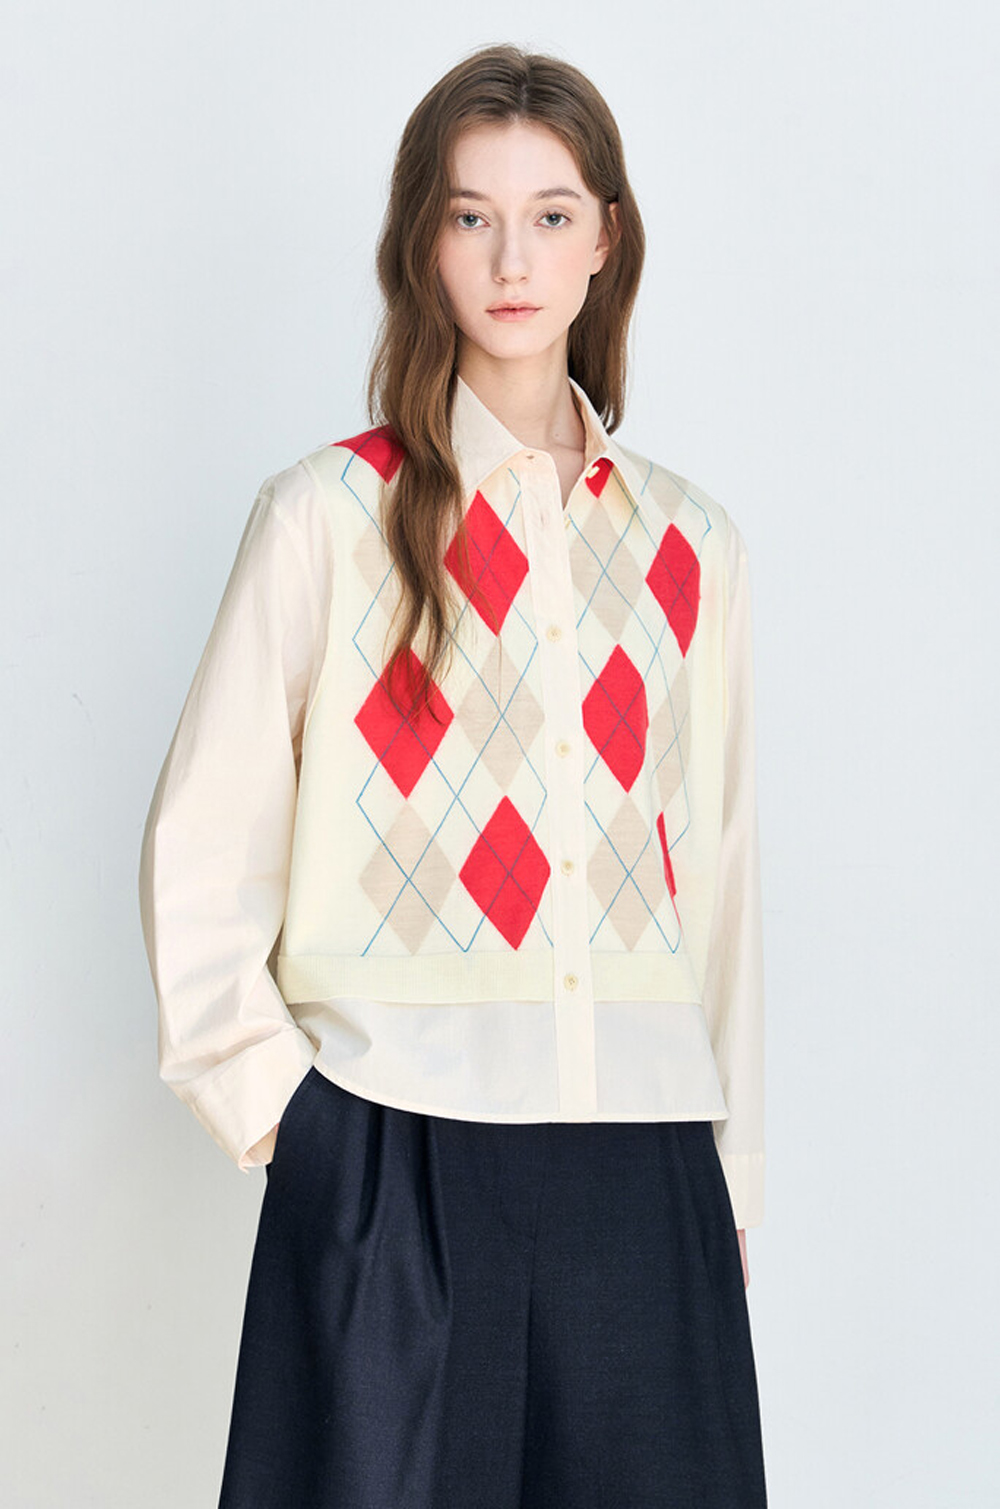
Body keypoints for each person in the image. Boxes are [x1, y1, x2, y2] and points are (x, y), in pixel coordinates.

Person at [138, 41, 768, 1509]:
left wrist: (730, 1175)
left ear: (606, 240)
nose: (512, 258)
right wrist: (297, 1128)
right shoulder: (327, 518)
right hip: (388, 1151)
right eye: (472, 214)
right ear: (422, 239)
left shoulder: (691, 545)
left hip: (644, 1166)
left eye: (552, 214)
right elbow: (202, 844)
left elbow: (720, 873)